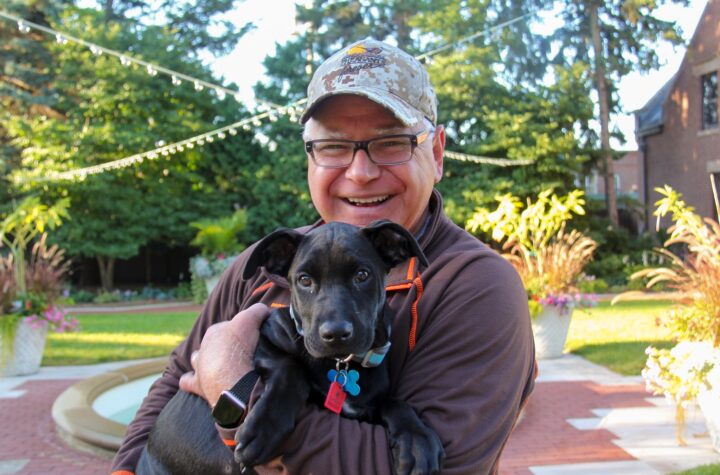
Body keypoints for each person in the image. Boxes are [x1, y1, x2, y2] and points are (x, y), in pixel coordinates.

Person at [111, 38, 535, 475]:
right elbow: (173, 381)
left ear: (438, 153)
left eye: (391, 142)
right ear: (310, 159)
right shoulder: (268, 262)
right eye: (333, 146)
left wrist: (234, 392)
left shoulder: (475, 286)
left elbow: (443, 468)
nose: (360, 172)